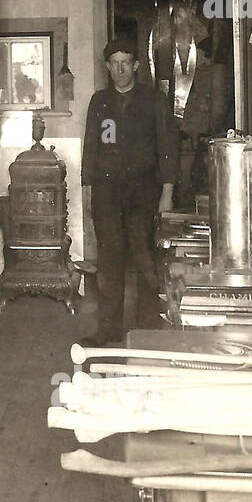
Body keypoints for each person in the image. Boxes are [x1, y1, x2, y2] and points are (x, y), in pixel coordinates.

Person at [80, 36, 177, 346]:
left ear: (136, 65)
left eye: (125, 63)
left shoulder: (153, 100)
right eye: (114, 64)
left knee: (145, 259)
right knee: (109, 263)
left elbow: (167, 147)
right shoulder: (99, 101)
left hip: (143, 193)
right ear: (108, 67)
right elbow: (91, 147)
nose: (120, 69)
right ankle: (108, 329)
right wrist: (86, 189)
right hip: (107, 194)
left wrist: (167, 191)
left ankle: (146, 328)